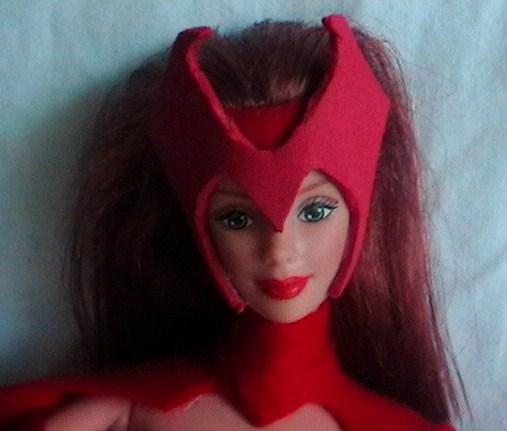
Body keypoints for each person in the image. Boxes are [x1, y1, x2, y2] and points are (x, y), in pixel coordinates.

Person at [0, 14, 463, 430]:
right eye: (237, 218)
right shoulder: (132, 406)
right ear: (199, 229)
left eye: (315, 211)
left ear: (360, 216)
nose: (279, 250)